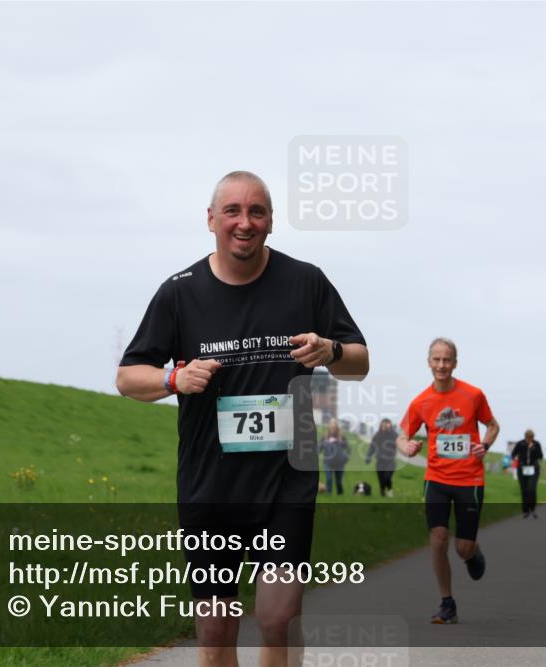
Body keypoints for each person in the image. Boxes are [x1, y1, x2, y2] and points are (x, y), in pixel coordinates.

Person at [116, 171, 369, 667]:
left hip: (284, 484)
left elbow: (359, 362)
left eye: (256, 212)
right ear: (211, 220)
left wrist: (330, 349)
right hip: (210, 484)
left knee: (276, 619)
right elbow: (128, 376)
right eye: (232, 211)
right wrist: (173, 381)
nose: (244, 222)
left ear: (271, 222)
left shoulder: (306, 282)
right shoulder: (179, 293)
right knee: (216, 631)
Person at [396, 337, 500, 624]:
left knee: (462, 547)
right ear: (429, 362)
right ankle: (447, 602)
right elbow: (402, 434)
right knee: (438, 539)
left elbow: (492, 425)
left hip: (470, 479)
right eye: (436, 359)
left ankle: (473, 553)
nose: (441, 365)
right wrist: (406, 446)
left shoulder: (473, 395)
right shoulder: (421, 402)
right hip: (437, 479)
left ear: (455, 363)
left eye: (447, 360)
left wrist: (486, 445)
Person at [512, 429, 543, 518]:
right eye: (528, 438)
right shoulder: (520, 443)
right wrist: (516, 458)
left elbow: (540, 456)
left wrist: (533, 448)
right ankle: (526, 510)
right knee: (524, 490)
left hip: (534, 469)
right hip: (522, 469)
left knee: (531, 489)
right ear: (525, 437)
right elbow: (513, 454)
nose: (529, 440)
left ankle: (532, 509)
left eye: (531, 438)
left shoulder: (536, 444)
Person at [366, 418, 398, 497]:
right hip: (380, 461)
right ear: (380, 425)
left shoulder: (393, 434)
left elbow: (397, 439)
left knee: (387, 478)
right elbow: (372, 447)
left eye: (386, 425)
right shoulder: (377, 435)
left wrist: (390, 429)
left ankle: (390, 490)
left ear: (389, 425)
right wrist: (368, 457)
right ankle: (382, 494)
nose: (384, 426)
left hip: (390, 461)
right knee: (381, 480)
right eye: (382, 425)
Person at [319, 418, 349, 495]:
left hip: (339, 463)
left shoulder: (341, 436)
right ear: (328, 426)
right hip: (328, 462)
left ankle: (340, 494)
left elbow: (348, 448)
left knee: (338, 481)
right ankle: (329, 494)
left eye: (334, 425)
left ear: (336, 426)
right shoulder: (325, 436)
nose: (332, 427)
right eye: (331, 425)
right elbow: (319, 448)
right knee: (329, 479)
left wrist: (346, 458)